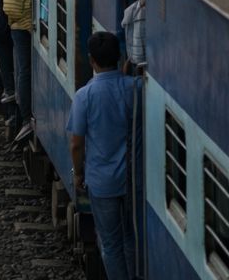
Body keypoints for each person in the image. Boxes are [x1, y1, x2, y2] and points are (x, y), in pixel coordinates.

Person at [67, 31, 139, 280]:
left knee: (110, 243)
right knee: (132, 238)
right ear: (119, 58)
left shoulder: (84, 96)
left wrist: (78, 174)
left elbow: (76, 143)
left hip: (101, 181)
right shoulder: (135, 89)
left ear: (91, 60)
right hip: (132, 179)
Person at [3, 0, 34, 140]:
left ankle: (22, 107)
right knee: (24, 70)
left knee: (22, 69)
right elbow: (14, 10)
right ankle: (25, 112)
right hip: (22, 29)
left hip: (16, 28)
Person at [120, 0, 146, 72]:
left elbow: (124, 23)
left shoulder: (134, 9)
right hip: (138, 57)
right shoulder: (138, 9)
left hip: (136, 57)